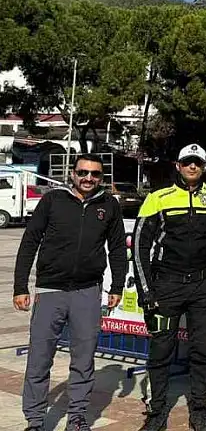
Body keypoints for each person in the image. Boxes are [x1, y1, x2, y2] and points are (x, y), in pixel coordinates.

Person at [15, 154, 126, 431]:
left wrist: (117, 287)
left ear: (102, 177)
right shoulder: (53, 200)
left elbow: (117, 249)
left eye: (95, 174)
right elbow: (30, 241)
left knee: (84, 359)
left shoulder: (108, 205)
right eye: (83, 172)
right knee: (40, 358)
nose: (89, 178)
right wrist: (20, 286)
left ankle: (77, 417)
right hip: (50, 290)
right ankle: (35, 420)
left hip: (88, 292)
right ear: (73, 173)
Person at [133, 144, 206, 431]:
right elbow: (141, 245)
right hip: (166, 285)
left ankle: (199, 411)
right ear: (178, 165)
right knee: (160, 350)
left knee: (203, 351)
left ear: (205, 167)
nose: (193, 167)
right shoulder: (158, 198)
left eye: (198, 163)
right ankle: (156, 413)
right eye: (187, 162)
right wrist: (145, 289)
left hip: (205, 286)